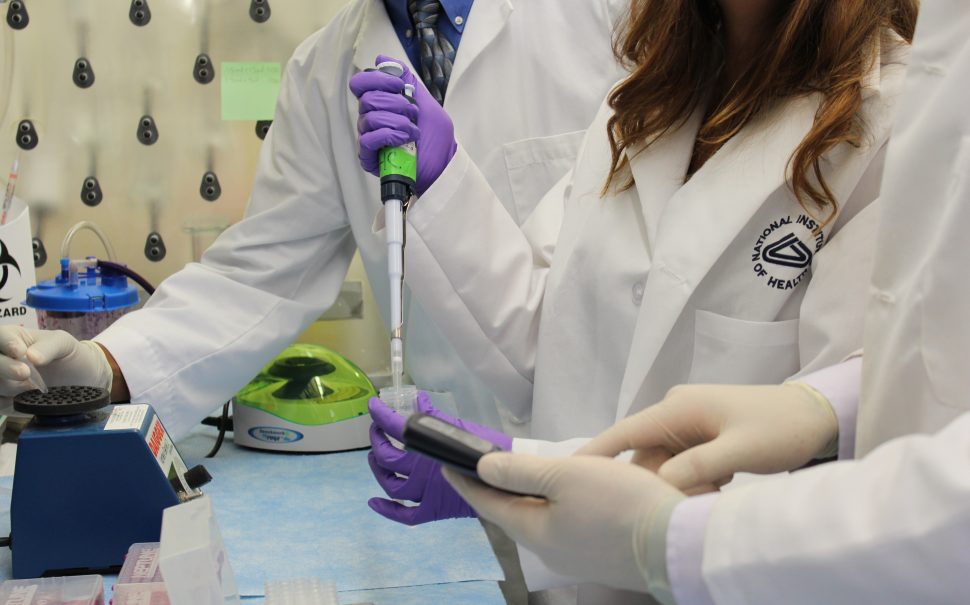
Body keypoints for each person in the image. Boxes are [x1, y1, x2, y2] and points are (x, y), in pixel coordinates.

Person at [354, 0, 915, 600]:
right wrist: (444, 184)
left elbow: (836, 477)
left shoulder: (897, 126)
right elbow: (550, 342)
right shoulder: (642, 94)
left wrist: (529, 472)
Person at [0, 0, 627, 440]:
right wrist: (100, 369)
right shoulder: (326, 68)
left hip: (616, 457)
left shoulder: (611, 15)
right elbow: (256, 281)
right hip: (448, 472)